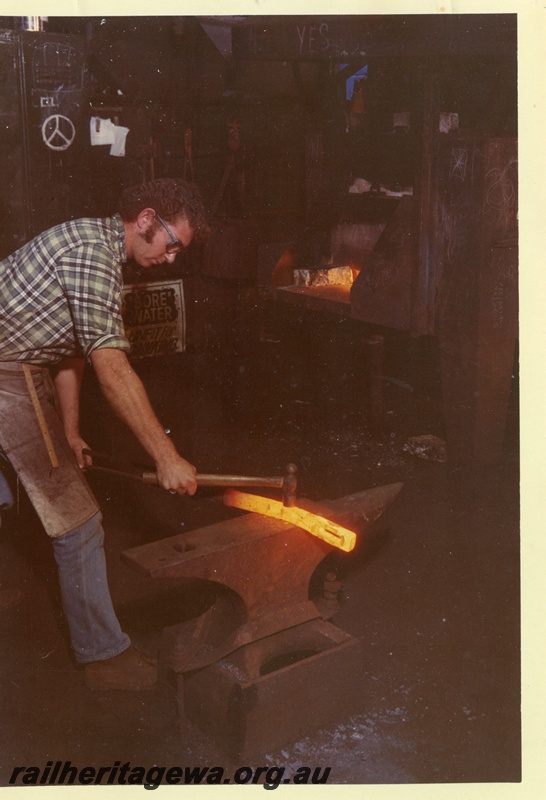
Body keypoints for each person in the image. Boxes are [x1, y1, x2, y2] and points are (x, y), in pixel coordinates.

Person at [0, 178, 208, 690]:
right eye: (172, 244)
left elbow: (68, 351)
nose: (172, 258)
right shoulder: (92, 255)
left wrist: (69, 431)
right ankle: (102, 658)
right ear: (146, 220)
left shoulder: (98, 247)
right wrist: (166, 455)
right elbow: (111, 366)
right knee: (79, 521)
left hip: (19, 362)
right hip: (6, 371)